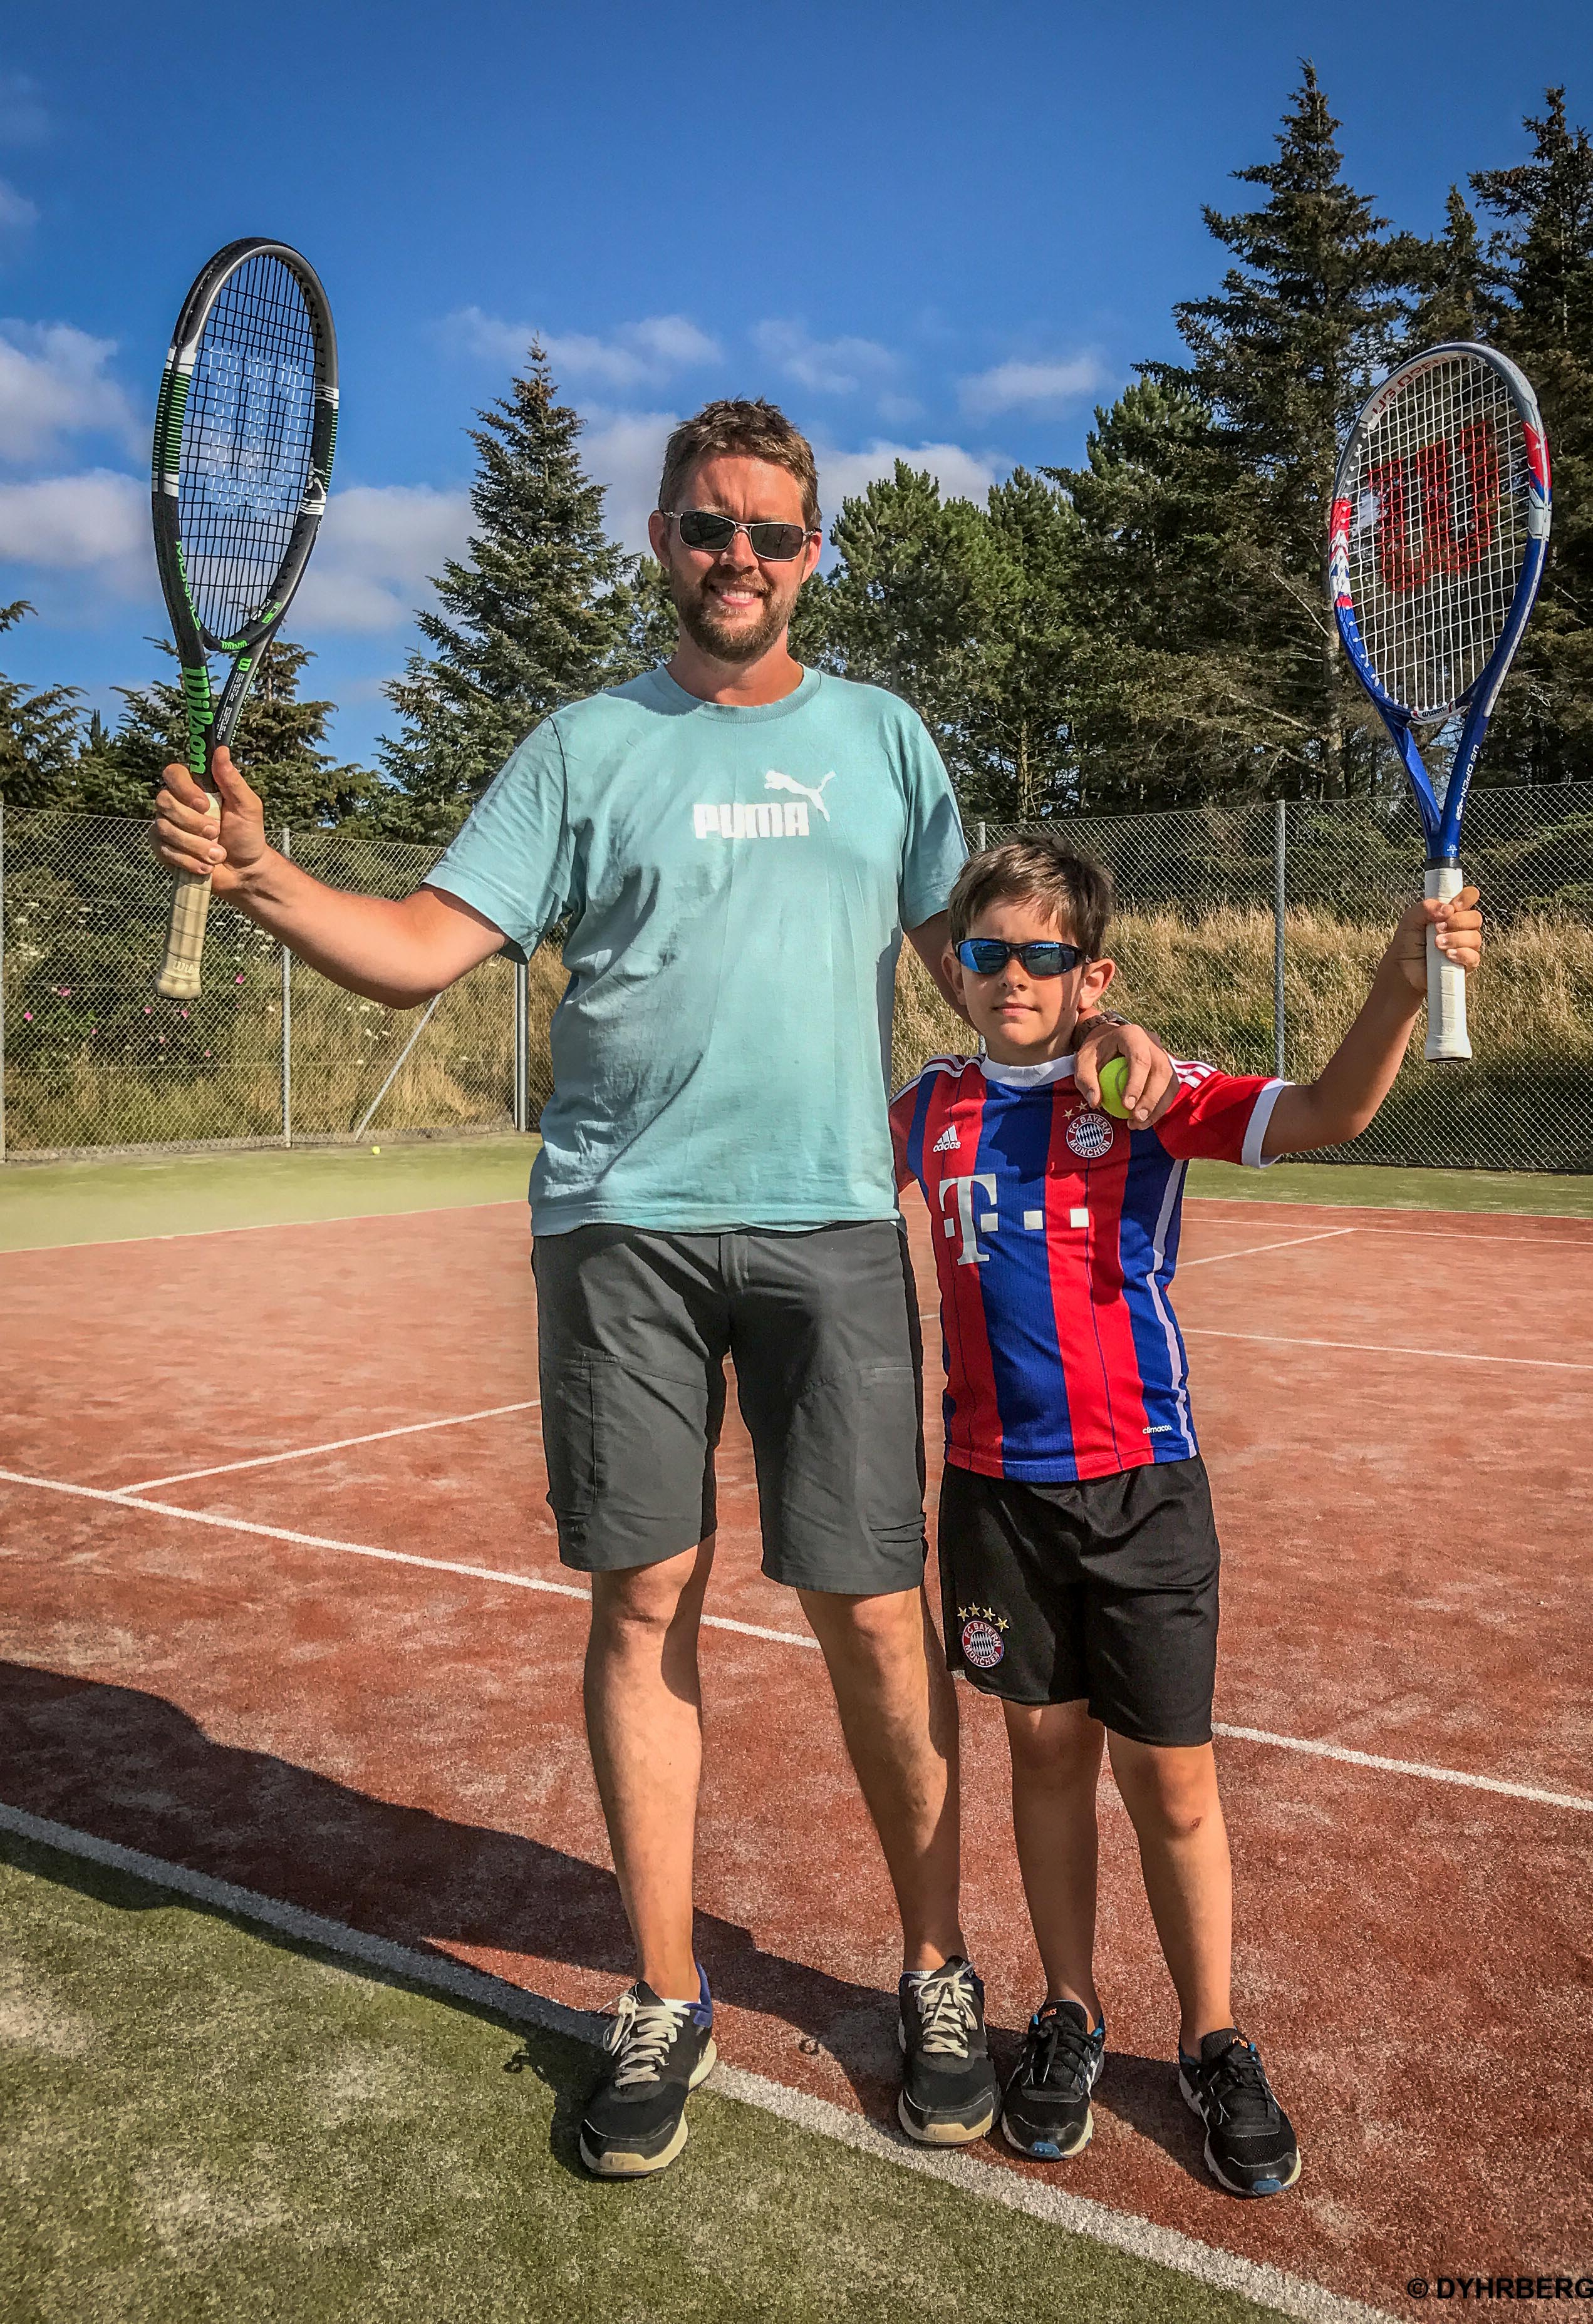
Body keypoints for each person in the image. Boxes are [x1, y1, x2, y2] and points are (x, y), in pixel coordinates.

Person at [150, 401, 1170, 2179]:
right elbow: (418, 951)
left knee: (878, 1614)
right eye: (709, 527)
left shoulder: (884, 740)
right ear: (663, 539)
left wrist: (1104, 1024)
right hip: (618, 1231)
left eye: (771, 534)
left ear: (812, 555)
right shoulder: (581, 746)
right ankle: (665, 1991)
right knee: (642, 1604)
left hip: (831, 1228)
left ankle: (936, 1970)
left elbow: (984, 967)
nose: (738, 558)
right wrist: (260, 874)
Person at [890, 835, 1483, 2196]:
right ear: (958, 970)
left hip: (1144, 1486)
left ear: (1092, 976)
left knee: (1170, 1777)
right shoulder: (926, 1108)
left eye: (1045, 955)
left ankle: (1212, 2035)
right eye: (988, 954)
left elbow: (1331, 1109)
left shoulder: (1141, 1088)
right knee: (1046, 1756)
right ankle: (1070, 2008)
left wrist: (1399, 984)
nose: (1014, 977)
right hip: (991, 1492)